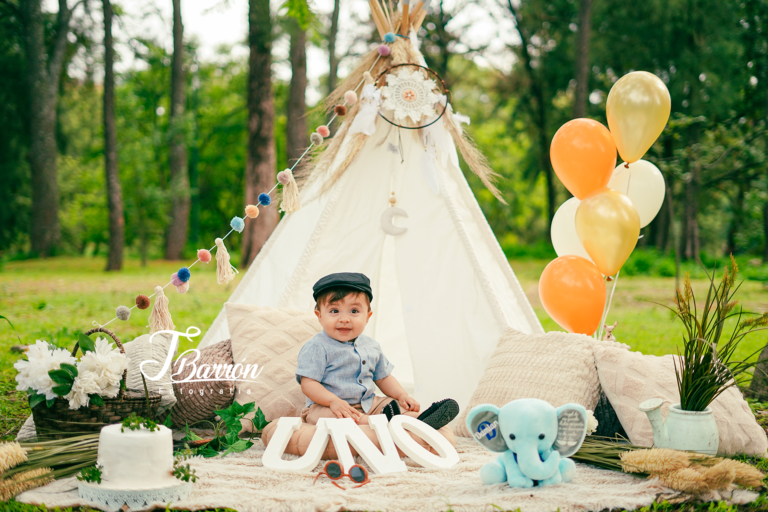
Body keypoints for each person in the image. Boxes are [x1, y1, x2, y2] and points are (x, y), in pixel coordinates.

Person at [296, 272, 459, 430]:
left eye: (354, 311)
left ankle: (420, 418)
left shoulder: (371, 346)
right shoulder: (317, 346)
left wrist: (402, 395)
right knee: (335, 418)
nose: (344, 319)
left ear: (367, 316)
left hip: (368, 403)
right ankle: (387, 423)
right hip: (327, 406)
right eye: (334, 311)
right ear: (319, 316)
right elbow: (308, 384)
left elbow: (383, 378)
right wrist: (332, 401)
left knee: (389, 404)